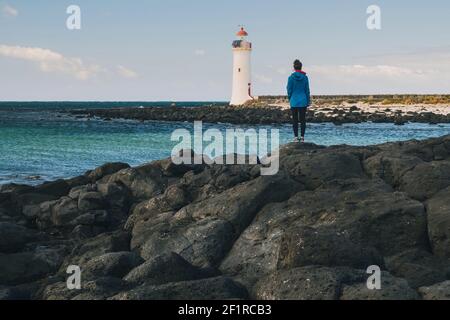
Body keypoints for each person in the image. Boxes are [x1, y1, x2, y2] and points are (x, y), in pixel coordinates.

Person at [287, 60, 311, 143]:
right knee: (303, 120)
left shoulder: (290, 78)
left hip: (294, 101)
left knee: (295, 120)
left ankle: (296, 137)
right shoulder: (305, 77)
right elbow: (307, 90)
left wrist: (290, 98)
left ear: (294, 67)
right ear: (301, 67)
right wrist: (308, 100)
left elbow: (289, 90)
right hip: (303, 100)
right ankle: (303, 137)